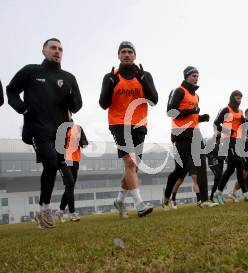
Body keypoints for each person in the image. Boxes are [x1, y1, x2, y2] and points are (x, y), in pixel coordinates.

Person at [7, 38, 82, 228]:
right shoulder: (31, 71)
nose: (57, 51)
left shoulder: (69, 78)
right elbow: (11, 90)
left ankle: (41, 210)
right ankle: (46, 209)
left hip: (59, 131)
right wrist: (22, 108)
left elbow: (77, 105)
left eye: (60, 49)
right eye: (53, 48)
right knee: (50, 163)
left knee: (52, 166)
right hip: (36, 127)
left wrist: (70, 98)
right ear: (44, 51)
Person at [99, 41, 157, 218]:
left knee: (133, 168)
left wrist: (144, 81)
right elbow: (103, 104)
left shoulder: (144, 75)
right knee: (130, 163)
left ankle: (119, 201)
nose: (126, 54)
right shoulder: (111, 76)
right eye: (123, 52)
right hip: (118, 123)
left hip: (139, 124)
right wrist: (110, 85)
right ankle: (139, 204)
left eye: (129, 52)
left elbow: (154, 100)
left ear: (135, 55)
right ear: (118, 55)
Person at [164, 66, 215, 209]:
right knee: (180, 170)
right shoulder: (179, 91)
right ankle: (167, 196)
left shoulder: (196, 96)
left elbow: (191, 116)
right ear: (186, 76)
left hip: (195, 132)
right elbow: (171, 112)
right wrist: (191, 111)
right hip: (180, 134)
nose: (196, 78)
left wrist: (201, 118)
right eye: (193, 75)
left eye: (197, 76)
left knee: (201, 165)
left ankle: (204, 200)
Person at [213, 91, 248, 204]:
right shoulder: (226, 110)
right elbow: (216, 123)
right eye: (237, 98)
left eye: (240, 99)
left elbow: (243, 124)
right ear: (232, 98)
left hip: (237, 141)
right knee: (240, 166)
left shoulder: (240, 112)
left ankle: (218, 193)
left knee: (230, 169)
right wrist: (228, 130)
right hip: (228, 141)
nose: (239, 101)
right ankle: (246, 194)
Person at [56, 112, 88, 222]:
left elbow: (84, 143)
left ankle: (60, 211)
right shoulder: (59, 128)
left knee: (70, 186)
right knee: (69, 184)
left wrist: (81, 142)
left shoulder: (78, 128)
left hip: (75, 160)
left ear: (70, 114)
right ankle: (72, 213)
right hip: (63, 160)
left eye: (67, 111)